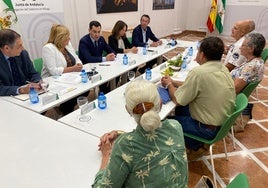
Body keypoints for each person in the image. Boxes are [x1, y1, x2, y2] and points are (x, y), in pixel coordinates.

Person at [92, 79, 188, 187]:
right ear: (160, 104)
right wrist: (119, 133)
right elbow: (148, 138)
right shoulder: (175, 126)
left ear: (128, 110)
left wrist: (106, 156)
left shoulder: (125, 145)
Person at [161, 37, 236, 160]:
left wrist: (169, 84)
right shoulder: (223, 69)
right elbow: (199, 86)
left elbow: (178, 100)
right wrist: (174, 82)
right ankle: (191, 143)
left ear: (202, 54)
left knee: (163, 122)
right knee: (183, 108)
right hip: (220, 124)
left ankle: (190, 144)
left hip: (205, 129)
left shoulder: (198, 72)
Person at [42, 24, 85, 116]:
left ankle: (67, 108)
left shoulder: (67, 44)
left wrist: (79, 64)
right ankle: (65, 112)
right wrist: (73, 68)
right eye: (66, 38)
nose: (68, 40)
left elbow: (76, 58)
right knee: (69, 98)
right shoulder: (48, 48)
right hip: (54, 80)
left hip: (70, 77)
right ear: (59, 38)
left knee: (85, 90)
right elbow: (53, 71)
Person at [231, 33, 266, 132]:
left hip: (231, 96)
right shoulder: (256, 61)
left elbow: (234, 88)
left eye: (243, 45)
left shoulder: (251, 67)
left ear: (251, 49)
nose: (240, 47)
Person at [0, 29, 42, 96]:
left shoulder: (23, 54)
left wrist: (38, 82)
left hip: (26, 96)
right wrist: (20, 90)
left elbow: (33, 73)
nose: (23, 48)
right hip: (6, 98)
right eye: (19, 46)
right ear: (6, 48)